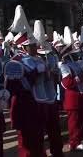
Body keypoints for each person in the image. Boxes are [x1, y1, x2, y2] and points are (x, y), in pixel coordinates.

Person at [7, 5, 46, 157]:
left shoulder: (35, 59)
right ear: (24, 47)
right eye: (32, 46)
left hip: (36, 102)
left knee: (38, 137)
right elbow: (15, 87)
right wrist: (36, 73)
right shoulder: (14, 62)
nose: (35, 48)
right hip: (23, 106)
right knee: (26, 143)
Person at [34, 20, 64, 156]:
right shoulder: (31, 60)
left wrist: (54, 73)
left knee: (55, 129)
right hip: (39, 99)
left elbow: (57, 74)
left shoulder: (51, 56)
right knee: (39, 131)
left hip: (51, 95)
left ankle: (57, 152)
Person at [59, 26, 83, 151]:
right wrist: (80, 78)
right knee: (73, 122)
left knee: (79, 120)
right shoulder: (64, 65)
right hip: (71, 98)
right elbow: (67, 82)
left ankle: (78, 140)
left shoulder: (75, 63)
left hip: (79, 94)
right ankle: (74, 142)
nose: (76, 55)